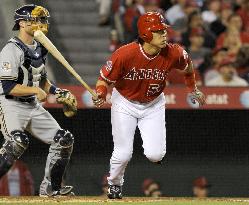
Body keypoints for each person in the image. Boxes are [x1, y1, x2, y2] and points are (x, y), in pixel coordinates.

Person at [92, 12, 205, 199]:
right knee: (123, 153)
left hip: (153, 104)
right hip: (125, 102)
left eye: (164, 30)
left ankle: (149, 157)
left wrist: (193, 88)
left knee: (155, 155)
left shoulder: (173, 52)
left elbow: (188, 67)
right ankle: (114, 185)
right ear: (145, 34)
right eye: (158, 31)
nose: (164, 34)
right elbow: (103, 80)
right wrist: (101, 94)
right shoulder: (125, 53)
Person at [0, 4, 77, 197]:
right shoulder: (10, 49)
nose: (42, 23)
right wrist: (35, 90)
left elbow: (40, 80)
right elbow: (8, 87)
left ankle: (52, 188)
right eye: (37, 20)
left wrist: (57, 91)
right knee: (17, 143)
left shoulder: (41, 47)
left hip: (32, 105)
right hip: (9, 103)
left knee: (64, 140)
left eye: (43, 20)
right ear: (22, 23)